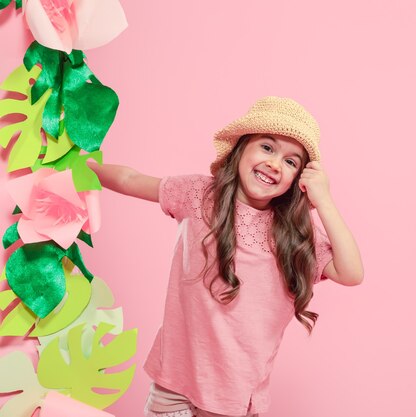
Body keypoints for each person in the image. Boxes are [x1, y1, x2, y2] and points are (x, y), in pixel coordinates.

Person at [90, 96, 364, 417]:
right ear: (241, 148)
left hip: (232, 401)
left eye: (291, 162)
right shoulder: (199, 195)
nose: (276, 163)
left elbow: (351, 273)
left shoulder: (293, 233)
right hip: (173, 387)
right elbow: (131, 179)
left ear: (297, 181)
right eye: (267, 147)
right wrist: (86, 169)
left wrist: (324, 201)